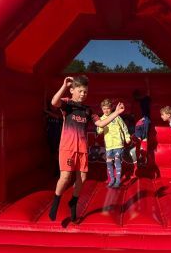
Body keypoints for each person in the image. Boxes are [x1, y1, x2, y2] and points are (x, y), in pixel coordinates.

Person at [49, 75, 125, 222]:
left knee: (82, 178)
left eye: (85, 92)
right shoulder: (67, 104)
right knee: (65, 177)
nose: (83, 94)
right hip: (68, 147)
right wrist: (64, 86)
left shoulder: (88, 110)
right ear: (72, 90)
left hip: (82, 148)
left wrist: (116, 113)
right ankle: (56, 201)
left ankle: (73, 202)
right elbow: (54, 102)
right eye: (80, 91)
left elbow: (100, 124)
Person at [97, 99, 131, 188]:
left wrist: (127, 137)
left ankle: (118, 180)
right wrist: (101, 127)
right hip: (109, 145)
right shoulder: (102, 119)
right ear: (102, 109)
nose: (106, 110)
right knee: (109, 162)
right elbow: (99, 131)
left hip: (118, 144)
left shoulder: (117, 117)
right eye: (104, 109)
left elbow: (124, 127)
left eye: (108, 108)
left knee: (117, 161)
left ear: (111, 108)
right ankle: (112, 179)